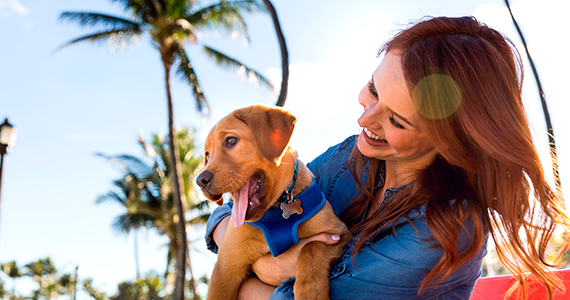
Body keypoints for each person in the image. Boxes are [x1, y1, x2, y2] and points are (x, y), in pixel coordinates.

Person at [204, 16, 570, 299]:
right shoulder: (350, 158)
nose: (364, 119)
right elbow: (252, 211)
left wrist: (259, 269)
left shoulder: (447, 230)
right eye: (374, 89)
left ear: (449, 141)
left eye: (395, 120)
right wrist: (258, 253)